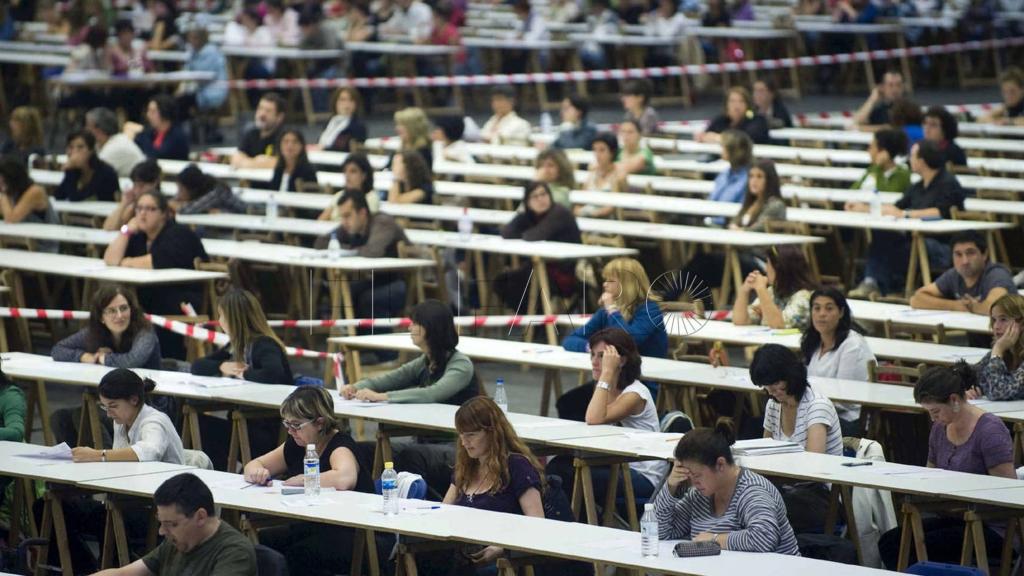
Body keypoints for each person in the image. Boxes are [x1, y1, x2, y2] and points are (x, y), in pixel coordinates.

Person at [877, 362, 1015, 569]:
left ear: (954, 400)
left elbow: (1008, 494)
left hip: (990, 525)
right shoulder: (941, 429)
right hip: (954, 516)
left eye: (935, 412)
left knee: (915, 546)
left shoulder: (990, 431)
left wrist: (959, 500)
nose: (933, 419)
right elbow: (930, 474)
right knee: (889, 542)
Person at [244, 387, 372, 576]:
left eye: (296, 425)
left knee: (299, 554)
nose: (290, 431)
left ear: (320, 423)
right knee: (261, 543)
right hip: (316, 525)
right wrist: (257, 472)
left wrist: (304, 480)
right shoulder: (297, 443)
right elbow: (255, 464)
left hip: (357, 533)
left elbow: (345, 477)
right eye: (287, 424)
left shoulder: (340, 446)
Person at [547, 329, 669, 516]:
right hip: (618, 464)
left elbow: (594, 418)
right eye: (593, 355)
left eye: (602, 356)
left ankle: (576, 525)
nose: (595, 362)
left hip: (642, 476)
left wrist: (606, 374)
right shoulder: (609, 388)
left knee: (565, 472)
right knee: (560, 464)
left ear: (621, 360)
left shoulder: (635, 394)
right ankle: (575, 522)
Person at [425, 396, 545, 574]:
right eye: (461, 435)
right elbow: (444, 512)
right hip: (462, 550)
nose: (465, 443)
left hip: (499, 557)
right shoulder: (466, 467)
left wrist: (502, 548)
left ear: (492, 432)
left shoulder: (517, 466)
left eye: (471, 435)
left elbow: (538, 524)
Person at [652, 421, 801, 554]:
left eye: (697, 475)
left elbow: (764, 538)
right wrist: (670, 487)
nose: (693, 482)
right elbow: (660, 533)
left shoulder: (753, 491)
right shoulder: (699, 494)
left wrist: (714, 539)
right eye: (688, 475)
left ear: (720, 464)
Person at [846, 140, 966, 298]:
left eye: (913, 156)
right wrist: (865, 208)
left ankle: (877, 285)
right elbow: (896, 208)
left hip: (941, 246)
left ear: (922, 161)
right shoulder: (918, 186)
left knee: (889, 250)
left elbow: (939, 212)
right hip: (916, 240)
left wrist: (905, 214)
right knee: (882, 236)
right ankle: (872, 283)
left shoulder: (948, 183)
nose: (910, 160)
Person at [103, 190, 208, 359]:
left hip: (186, 300)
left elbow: (154, 262)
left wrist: (126, 262)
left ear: (164, 214)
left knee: (141, 304)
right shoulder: (138, 236)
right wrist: (126, 231)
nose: (142, 214)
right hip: (154, 296)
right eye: (139, 208)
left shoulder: (179, 233)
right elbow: (110, 259)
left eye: (150, 209)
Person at [91, 472, 257, 576]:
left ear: (200, 517)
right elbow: (124, 574)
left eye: (171, 524)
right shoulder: (176, 542)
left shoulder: (235, 553)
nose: (163, 531)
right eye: (161, 523)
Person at [340, 299, 478, 404]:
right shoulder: (426, 361)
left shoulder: (461, 364)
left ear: (431, 328)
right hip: (425, 436)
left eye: (415, 323)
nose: (409, 328)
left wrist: (381, 397)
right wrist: (354, 387)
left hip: (454, 441)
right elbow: (389, 380)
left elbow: (432, 393)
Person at [314, 191, 409, 321]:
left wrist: (342, 249)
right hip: (374, 280)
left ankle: (371, 339)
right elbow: (321, 242)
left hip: (401, 283)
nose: (344, 222)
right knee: (343, 293)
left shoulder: (383, 223)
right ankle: (348, 337)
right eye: (342, 217)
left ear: (362, 213)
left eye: (347, 216)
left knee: (367, 299)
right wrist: (346, 249)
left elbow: (372, 252)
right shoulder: (351, 226)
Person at [801, 287, 876, 435]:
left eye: (829, 308)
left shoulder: (852, 345)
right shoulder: (814, 342)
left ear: (841, 312)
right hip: (818, 412)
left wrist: (804, 406)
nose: (822, 314)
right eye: (816, 308)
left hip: (849, 419)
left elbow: (844, 398)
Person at [494, 182, 581, 309]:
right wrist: (523, 213)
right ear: (527, 202)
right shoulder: (530, 215)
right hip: (540, 268)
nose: (540, 199)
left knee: (528, 284)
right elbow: (506, 233)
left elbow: (533, 236)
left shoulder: (559, 213)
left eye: (543, 194)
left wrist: (523, 232)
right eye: (534, 196)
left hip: (564, 273)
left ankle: (539, 325)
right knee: (501, 282)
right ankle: (531, 320)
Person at [562, 258, 667, 357]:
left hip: (647, 371)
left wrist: (612, 309)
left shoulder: (650, 310)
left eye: (610, 280)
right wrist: (592, 347)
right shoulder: (605, 312)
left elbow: (629, 341)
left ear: (626, 284)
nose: (604, 284)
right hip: (617, 369)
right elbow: (571, 339)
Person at [752, 343, 843, 454]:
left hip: (818, 470)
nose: (770, 391)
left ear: (791, 375)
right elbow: (764, 451)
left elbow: (814, 461)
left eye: (775, 383)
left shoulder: (817, 407)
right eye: (765, 385)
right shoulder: (774, 404)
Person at [191, 288, 293, 384]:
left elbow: (273, 374)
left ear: (233, 320)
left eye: (221, 315)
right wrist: (221, 366)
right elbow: (197, 365)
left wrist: (243, 373)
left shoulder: (264, 344)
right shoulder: (236, 345)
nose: (219, 321)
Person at [52, 284, 161, 370]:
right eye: (111, 311)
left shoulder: (145, 331)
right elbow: (58, 350)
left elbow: (132, 361)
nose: (119, 315)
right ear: (101, 317)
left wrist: (102, 358)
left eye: (124, 308)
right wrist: (83, 356)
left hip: (148, 393)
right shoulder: (93, 332)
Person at [911, 230, 1017, 316]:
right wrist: (956, 305)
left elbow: (994, 308)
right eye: (958, 254)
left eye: (970, 253)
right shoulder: (954, 275)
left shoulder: (997, 274)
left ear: (984, 254)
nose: (964, 261)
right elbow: (917, 299)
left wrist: (973, 307)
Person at [732, 245, 816, 330]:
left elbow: (778, 325)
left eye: (768, 264)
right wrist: (745, 290)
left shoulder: (805, 296)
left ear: (780, 268)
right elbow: (741, 321)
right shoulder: (772, 291)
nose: (766, 269)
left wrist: (761, 289)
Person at [0, 157, 60, 251]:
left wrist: (3, 194)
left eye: (3, 182)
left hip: (42, 244)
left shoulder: (35, 191)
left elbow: (11, 219)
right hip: (20, 242)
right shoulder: (12, 193)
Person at [972, 294, 1024, 400]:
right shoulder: (1007, 350)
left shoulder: (1000, 349)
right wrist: (969, 389)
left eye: (1003, 319)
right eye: (994, 319)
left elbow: (998, 392)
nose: (996, 326)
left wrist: (998, 350)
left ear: (1022, 323)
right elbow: (973, 376)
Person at [176, 26, 229, 122]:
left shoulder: (212, 52)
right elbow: (187, 69)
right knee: (179, 99)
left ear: (199, 39)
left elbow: (202, 74)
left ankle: (185, 129)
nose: (189, 41)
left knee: (181, 102)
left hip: (213, 92)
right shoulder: (194, 52)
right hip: (201, 90)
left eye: (191, 38)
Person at [53, 130, 120, 202]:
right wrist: (70, 172)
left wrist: (69, 169)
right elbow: (59, 196)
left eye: (80, 147)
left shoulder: (105, 172)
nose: (75, 152)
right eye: (71, 147)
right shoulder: (74, 169)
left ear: (90, 150)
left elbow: (78, 198)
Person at [125, 94, 191, 161]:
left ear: (165, 113)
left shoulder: (177, 136)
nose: (148, 115)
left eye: (153, 112)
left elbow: (157, 155)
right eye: (148, 111)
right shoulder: (152, 132)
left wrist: (142, 131)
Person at [86, 107, 147, 178]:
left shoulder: (116, 147)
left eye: (88, 126)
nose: (86, 130)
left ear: (98, 130)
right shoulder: (103, 143)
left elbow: (93, 175)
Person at [231, 93, 287, 169]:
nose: (262, 114)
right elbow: (236, 158)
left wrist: (247, 162)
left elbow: (279, 163)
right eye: (260, 108)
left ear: (279, 117)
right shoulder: (251, 133)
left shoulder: (284, 137)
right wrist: (256, 162)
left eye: (268, 111)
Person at [697, 87, 770, 145]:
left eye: (741, 101)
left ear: (747, 105)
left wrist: (719, 138)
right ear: (726, 104)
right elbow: (706, 134)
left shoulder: (757, 120)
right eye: (732, 101)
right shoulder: (721, 119)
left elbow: (745, 139)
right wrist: (702, 136)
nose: (736, 105)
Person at [847, 128, 910, 193]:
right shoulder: (872, 169)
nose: (868, 151)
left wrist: (878, 168)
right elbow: (853, 190)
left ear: (883, 151)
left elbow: (884, 196)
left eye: (871, 147)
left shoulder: (901, 174)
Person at [729, 159, 786, 232]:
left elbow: (760, 228)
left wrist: (740, 230)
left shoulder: (776, 205)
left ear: (769, 180)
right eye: (751, 176)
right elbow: (735, 220)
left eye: (759, 176)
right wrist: (733, 226)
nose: (754, 181)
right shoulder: (751, 202)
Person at [104, 160, 162, 231]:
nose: (136, 191)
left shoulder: (161, 208)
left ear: (155, 183)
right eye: (135, 185)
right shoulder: (132, 208)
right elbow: (108, 229)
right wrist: (123, 204)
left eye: (141, 186)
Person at [318, 154, 375, 221]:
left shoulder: (371, 198)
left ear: (364, 175)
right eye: (345, 171)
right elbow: (321, 221)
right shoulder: (339, 195)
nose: (347, 176)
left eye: (353, 171)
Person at [575, 132, 619, 218]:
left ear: (612, 152)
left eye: (602, 150)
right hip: (586, 216)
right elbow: (580, 201)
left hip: (605, 221)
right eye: (595, 150)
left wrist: (592, 213)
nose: (597, 154)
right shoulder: (591, 175)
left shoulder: (618, 175)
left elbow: (612, 207)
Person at [173, 164, 247, 215]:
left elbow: (186, 210)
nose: (178, 194)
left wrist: (175, 205)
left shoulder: (216, 191)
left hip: (244, 216)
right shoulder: (203, 187)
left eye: (181, 190)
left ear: (192, 189)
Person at [709, 130, 753, 206]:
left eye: (723, 147)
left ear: (733, 150)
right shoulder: (724, 174)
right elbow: (712, 199)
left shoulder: (749, 179)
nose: (721, 151)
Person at [317, 87, 368, 152]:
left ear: (356, 104)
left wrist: (323, 149)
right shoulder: (329, 123)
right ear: (335, 102)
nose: (347, 104)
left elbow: (344, 149)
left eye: (351, 100)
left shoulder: (358, 127)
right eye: (342, 100)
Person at [643, 0, 687, 66]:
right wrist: (653, 20)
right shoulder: (657, 16)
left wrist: (659, 20)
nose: (663, 6)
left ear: (672, 5)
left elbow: (667, 36)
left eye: (666, 4)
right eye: (662, 4)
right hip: (656, 53)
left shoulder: (680, 18)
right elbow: (648, 33)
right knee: (647, 57)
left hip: (674, 55)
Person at [613, 119, 656, 185]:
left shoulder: (646, 153)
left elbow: (627, 168)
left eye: (630, 132)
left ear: (639, 134)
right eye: (623, 131)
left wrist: (605, 167)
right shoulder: (617, 152)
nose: (626, 135)